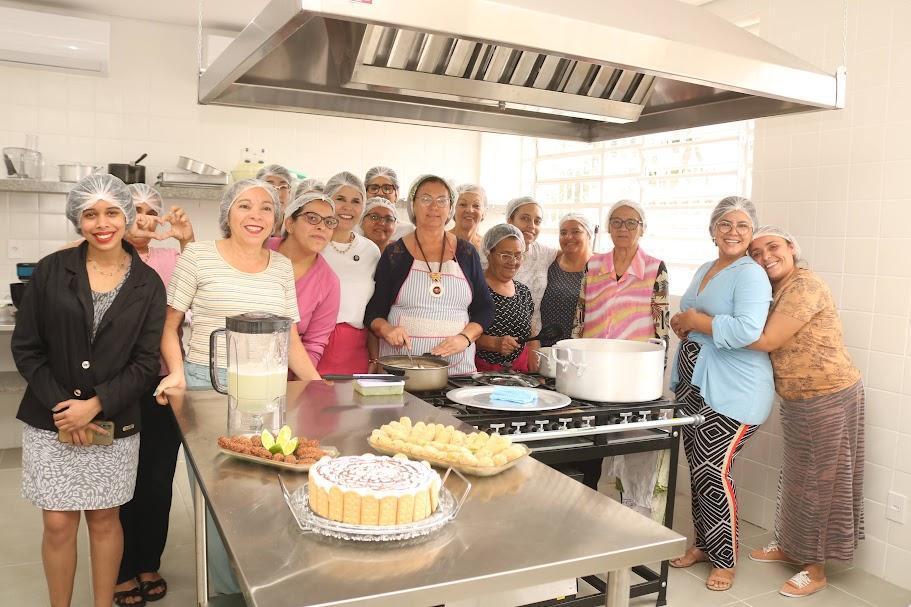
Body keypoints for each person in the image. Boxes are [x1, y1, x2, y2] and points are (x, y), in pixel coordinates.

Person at [153, 178, 319, 597]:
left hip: (266, 389)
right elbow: (168, 326)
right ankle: (225, 593)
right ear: (228, 213)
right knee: (217, 490)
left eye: (266, 208)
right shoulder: (199, 256)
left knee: (264, 484)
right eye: (245, 206)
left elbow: (291, 337)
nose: (256, 216)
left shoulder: (280, 266)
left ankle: (260, 581)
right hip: (207, 385)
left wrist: (318, 386)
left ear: (276, 219)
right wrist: (174, 371)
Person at [12, 174, 166, 607]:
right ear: (77, 219)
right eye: (90, 214)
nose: (102, 223)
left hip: (113, 417)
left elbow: (145, 362)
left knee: (104, 519)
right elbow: (27, 348)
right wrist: (67, 408)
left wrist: (96, 404)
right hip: (50, 416)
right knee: (58, 523)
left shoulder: (148, 283)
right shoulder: (50, 271)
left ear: (127, 216)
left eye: (112, 212)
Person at [741, 226, 863, 598]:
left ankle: (816, 568)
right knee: (796, 480)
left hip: (830, 394)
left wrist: (704, 324)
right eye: (756, 253)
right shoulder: (775, 289)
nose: (765, 257)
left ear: (792, 248)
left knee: (823, 484)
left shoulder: (804, 286)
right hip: (799, 398)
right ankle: (793, 548)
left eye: (772, 247)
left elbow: (768, 340)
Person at [667, 196, 774, 592]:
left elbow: (748, 330)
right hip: (697, 386)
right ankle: (702, 545)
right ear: (712, 229)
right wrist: (684, 322)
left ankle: (725, 561)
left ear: (752, 233)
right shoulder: (706, 267)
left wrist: (697, 321)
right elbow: (694, 317)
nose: (733, 232)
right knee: (698, 469)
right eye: (725, 224)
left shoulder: (751, 274)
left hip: (736, 390)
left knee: (715, 470)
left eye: (742, 225)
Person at [114, 184, 194, 605]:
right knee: (116, 478)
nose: (143, 218)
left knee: (158, 477)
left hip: (163, 381)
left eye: (150, 211)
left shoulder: (170, 259)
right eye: (134, 210)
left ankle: (148, 561)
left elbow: (198, 291)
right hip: (112, 387)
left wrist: (185, 240)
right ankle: (121, 569)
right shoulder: (103, 256)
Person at [578, 200, 669, 500]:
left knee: (632, 448)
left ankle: (632, 507)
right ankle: (581, 500)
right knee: (587, 442)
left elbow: (661, 326)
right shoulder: (593, 265)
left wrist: (657, 372)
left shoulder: (655, 268)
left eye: (632, 223)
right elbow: (580, 315)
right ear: (607, 227)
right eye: (616, 222)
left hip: (633, 374)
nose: (623, 229)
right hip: (591, 368)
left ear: (643, 229)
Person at [366, 174, 493, 375]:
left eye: (442, 200)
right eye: (425, 199)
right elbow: (373, 311)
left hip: (457, 369)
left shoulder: (467, 253)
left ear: (450, 207)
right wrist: (386, 329)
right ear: (413, 206)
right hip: (403, 370)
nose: (434, 206)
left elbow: (484, 309)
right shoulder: (395, 254)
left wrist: (465, 338)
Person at [266, 192, 341, 370]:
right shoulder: (261, 250)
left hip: (282, 374)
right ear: (290, 224)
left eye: (329, 222)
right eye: (312, 218)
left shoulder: (329, 283)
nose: (322, 227)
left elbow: (313, 346)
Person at [319, 171, 382, 374]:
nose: (348, 207)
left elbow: (374, 308)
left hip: (356, 351)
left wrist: (374, 356)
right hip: (313, 348)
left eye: (356, 201)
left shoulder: (370, 250)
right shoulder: (312, 244)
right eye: (340, 199)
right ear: (327, 201)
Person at [475, 224, 533, 373]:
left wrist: (535, 370)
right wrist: (494, 343)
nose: (513, 261)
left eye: (518, 255)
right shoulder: (475, 287)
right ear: (489, 254)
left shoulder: (523, 292)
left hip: (518, 373)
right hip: (480, 373)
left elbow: (530, 334)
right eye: (505, 255)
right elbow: (458, 332)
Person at [504, 196, 559, 335]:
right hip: (497, 335)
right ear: (510, 220)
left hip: (532, 336)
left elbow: (574, 253)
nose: (532, 225)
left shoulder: (543, 252)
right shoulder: (492, 251)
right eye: (525, 218)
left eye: (537, 221)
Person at [539, 213, 593, 347]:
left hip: (584, 348)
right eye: (563, 232)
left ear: (589, 235)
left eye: (576, 231)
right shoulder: (548, 264)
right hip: (546, 347)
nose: (568, 237)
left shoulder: (600, 268)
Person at [365, 165, 413, 240]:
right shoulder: (353, 230)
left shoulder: (408, 232)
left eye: (387, 188)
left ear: (396, 194)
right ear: (365, 193)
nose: (380, 193)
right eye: (374, 188)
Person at [256, 163, 295, 231]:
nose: (278, 193)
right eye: (270, 187)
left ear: (290, 192)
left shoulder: (295, 228)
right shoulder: (250, 223)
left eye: (283, 187)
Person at [448, 184, 487, 251]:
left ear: (484, 212)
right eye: (463, 204)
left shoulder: (487, 248)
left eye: (476, 205)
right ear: (452, 209)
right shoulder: (441, 242)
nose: (469, 210)